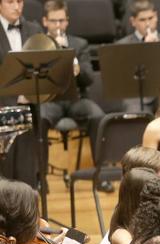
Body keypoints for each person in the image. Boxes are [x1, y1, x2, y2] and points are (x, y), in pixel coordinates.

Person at [40, 0, 109, 192]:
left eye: (61, 21)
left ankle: (99, 175)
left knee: (98, 116)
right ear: (45, 21)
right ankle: (40, 177)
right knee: (39, 118)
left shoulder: (80, 44)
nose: (58, 26)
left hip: (75, 100)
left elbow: (89, 79)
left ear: (67, 21)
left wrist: (74, 63)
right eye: (53, 21)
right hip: (50, 101)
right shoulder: (38, 43)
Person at [0, 0, 43, 187]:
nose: (17, 6)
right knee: (5, 175)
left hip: (29, 109)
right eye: (10, 1)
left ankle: (28, 215)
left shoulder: (34, 29)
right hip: (2, 110)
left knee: (27, 175)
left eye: (20, 1)